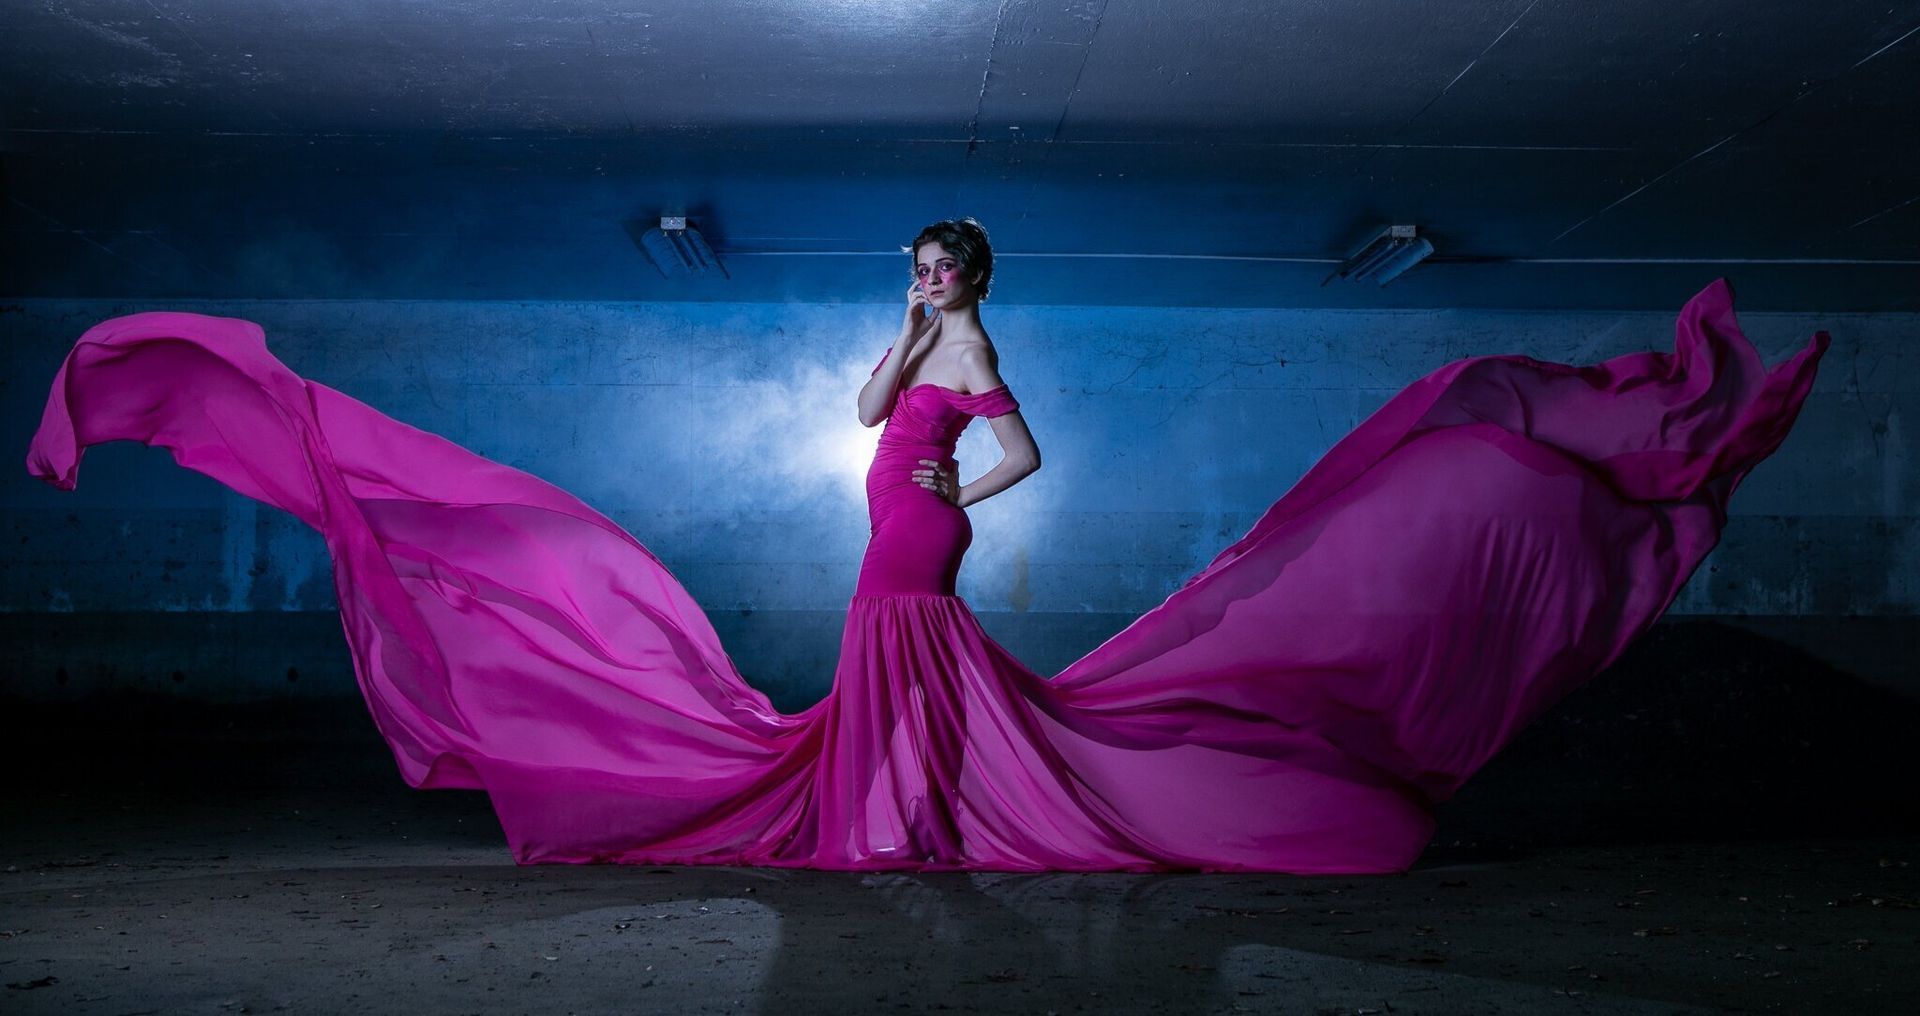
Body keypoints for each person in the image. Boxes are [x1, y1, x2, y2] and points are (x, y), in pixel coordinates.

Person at [25, 221, 1829, 873]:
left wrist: (966, 490)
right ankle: (904, 803)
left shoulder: (974, 350)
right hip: (888, 524)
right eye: (924, 269)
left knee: (904, 646)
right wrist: (890, 346)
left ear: (978, 281)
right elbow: (855, 414)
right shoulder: (913, 338)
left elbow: (1020, 440)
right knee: (889, 672)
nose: (936, 288)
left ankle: (904, 813)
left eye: (947, 271)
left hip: (920, 544)